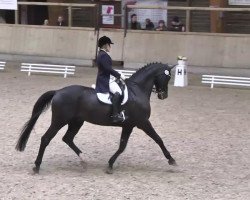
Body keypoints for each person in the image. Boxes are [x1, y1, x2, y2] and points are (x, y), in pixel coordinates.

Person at [96, 36, 126, 123]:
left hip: (106, 77)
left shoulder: (102, 54)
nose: (110, 47)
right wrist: (119, 75)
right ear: (106, 45)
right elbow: (108, 69)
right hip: (105, 79)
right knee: (118, 92)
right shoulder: (104, 55)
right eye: (109, 45)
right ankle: (115, 115)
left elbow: (108, 68)